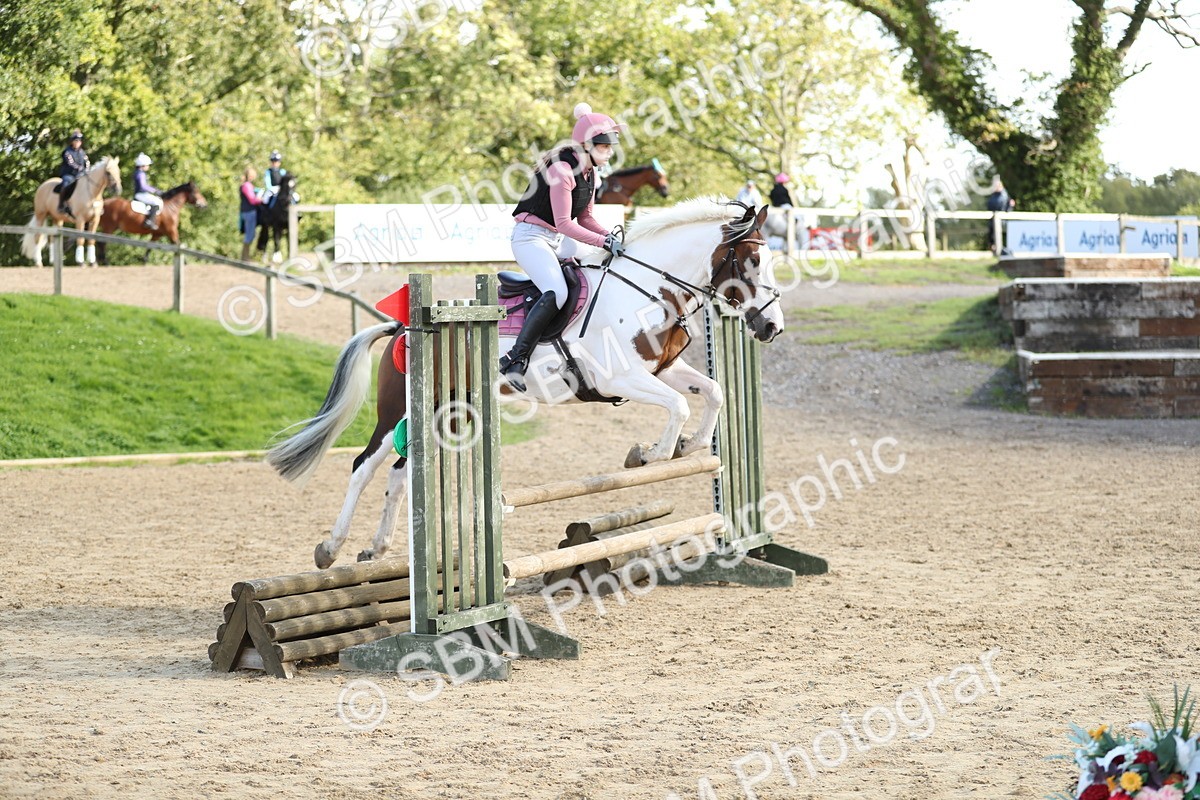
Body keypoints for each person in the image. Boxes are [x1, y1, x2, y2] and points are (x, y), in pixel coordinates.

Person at [502, 102, 624, 391]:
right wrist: (603, 241)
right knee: (556, 292)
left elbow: (586, 218)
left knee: (600, 267)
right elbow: (564, 223)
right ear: (587, 145)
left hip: (557, 240)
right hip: (531, 238)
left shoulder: (590, 173)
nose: (610, 151)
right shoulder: (561, 171)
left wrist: (612, 239)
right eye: (605, 146)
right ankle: (515, 359)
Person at [55, 130, 90, 216]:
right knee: (66, 184)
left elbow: (87, 162)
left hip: (79, 175)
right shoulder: (67, 152)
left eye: (79, 141)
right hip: (69, 174)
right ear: (72, 141)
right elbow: (70, 163)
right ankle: (61, 205)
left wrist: (87, 169)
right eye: (76, 140)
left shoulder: (82, 152)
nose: (78, 142)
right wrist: (79, 168)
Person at [132, 153, 164, 230]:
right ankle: (149, 221)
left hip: (141, 194)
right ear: (143, 165)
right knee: (157, 202)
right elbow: (143, 186)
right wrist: (155, 191)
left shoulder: (138, 172)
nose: (148, 167)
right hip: (141, 194)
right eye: (147, 165)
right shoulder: (141, 174)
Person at [239, 166, 264, 261]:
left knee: (250, 234)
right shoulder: (247, 186)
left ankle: (245, 257)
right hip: (249, 212)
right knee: (250, 234)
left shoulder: (247, 185)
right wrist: (260, 199)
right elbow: (252, 200)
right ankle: (245, 258)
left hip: (247, 211)